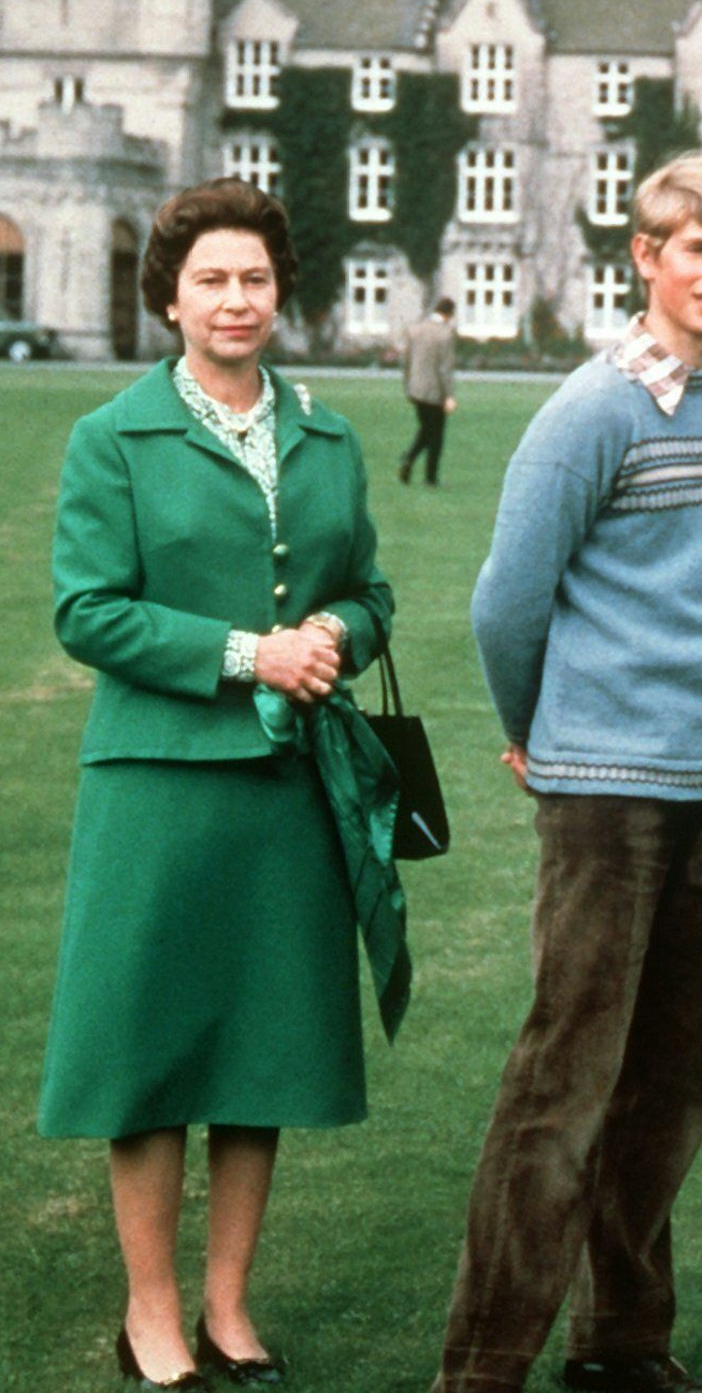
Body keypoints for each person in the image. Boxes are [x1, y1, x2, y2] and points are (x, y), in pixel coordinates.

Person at [41, 176, 400, 1390]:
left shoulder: (330, 432)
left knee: (264, 1051)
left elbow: (370, 592)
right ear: (171, 298)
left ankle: (229, 1310)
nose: (235, 300)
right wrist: (252, 651)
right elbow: (86, 611)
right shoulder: (113, 437)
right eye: (210, 281)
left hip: (288, 788)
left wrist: (337, 633)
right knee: (149, 1054)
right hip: (157, 787)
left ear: (278, 290)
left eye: (253, 279)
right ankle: (151, 1316)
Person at [435, 155, 702, 1393]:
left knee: (669, 1084)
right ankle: (480, 1370)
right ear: (646, 257)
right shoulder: (586, 411)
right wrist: (539, 732)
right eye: (696, 252)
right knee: (562, 1084)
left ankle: (623, 1346)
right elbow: (505, 602)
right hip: (602, 793)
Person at [397, 296, 458, 487]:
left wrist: (407, 386)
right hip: (434, 391)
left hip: (416, 388)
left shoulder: (415, 330)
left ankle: (408, 459)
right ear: (449, 314)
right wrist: (449, 395)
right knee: (436, 435)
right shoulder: (445, 334)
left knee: (426, 430)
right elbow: (444, 368)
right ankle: (430, 478)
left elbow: (406, 361)